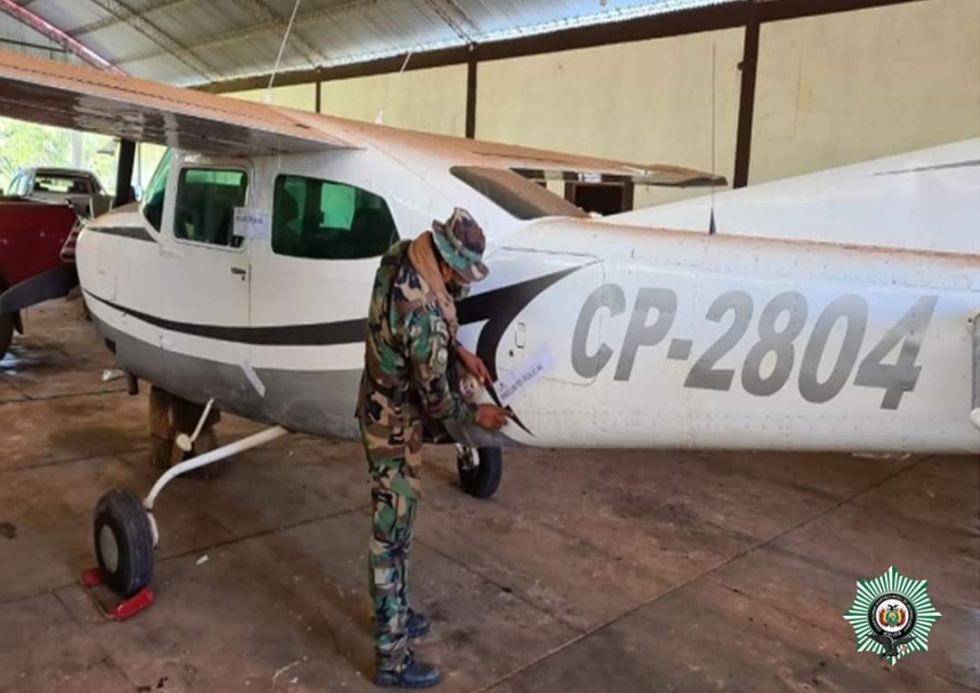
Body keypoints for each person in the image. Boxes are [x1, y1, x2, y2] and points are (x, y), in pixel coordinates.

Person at [356, 207, 509, 688]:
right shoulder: (422, 315)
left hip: (380, 400)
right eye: (460, 273)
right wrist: (478, 415)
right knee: (391, 536)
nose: (462, 281)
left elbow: (427, 325)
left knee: (397, 529)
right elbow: (439, 401)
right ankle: (392, 658)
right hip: (392, 424)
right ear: (445, 263)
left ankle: (394, 612)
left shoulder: (403, 254)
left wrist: (460, 350)